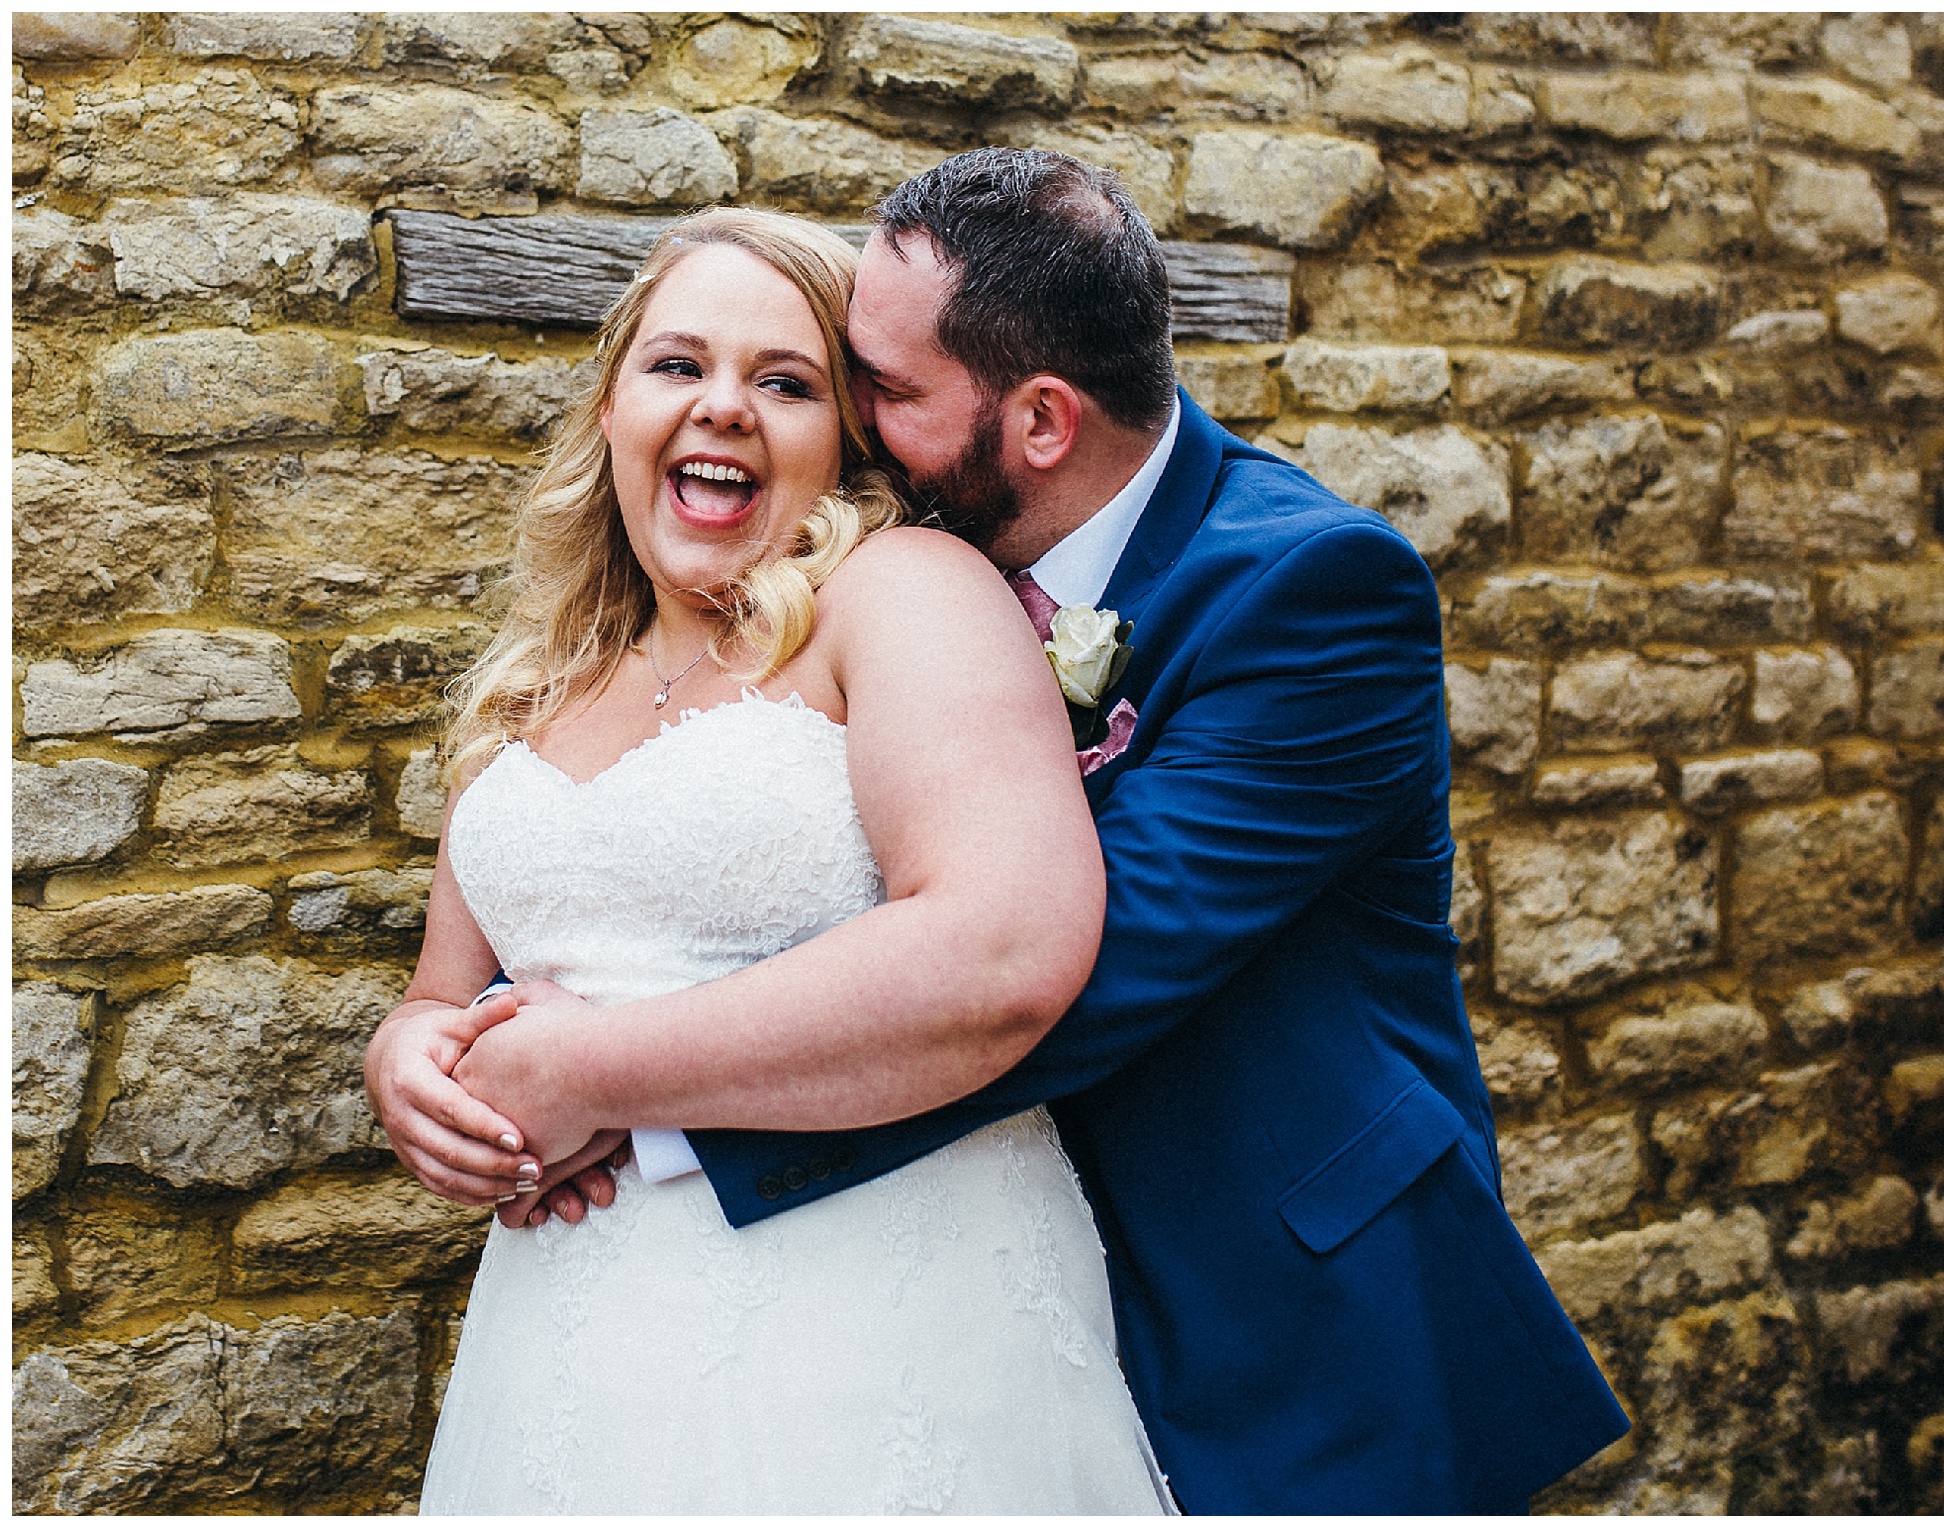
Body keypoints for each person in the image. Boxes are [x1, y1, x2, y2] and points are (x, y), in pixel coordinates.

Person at [380, 149, 1630, 1512]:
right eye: (685, 367)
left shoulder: (1309, 594)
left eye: (874, 390)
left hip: (1264, 1292)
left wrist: (608, 1085)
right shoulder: (648, 643)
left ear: (1039, 422)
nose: (846, 419)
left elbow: (1062, 963)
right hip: (708, 1297)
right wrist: (432, 1053)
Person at [370, 205, 1175, 1514]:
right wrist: (408, 1067)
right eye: (679, 366)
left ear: (843, 443)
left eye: (785, 382)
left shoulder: (903, 593)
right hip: (568, 1351)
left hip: (874, 1324)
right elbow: (440, 998)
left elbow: (1004, 948)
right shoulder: (540, 678)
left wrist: (587, 1069)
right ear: (616, 406)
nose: (724, 407)